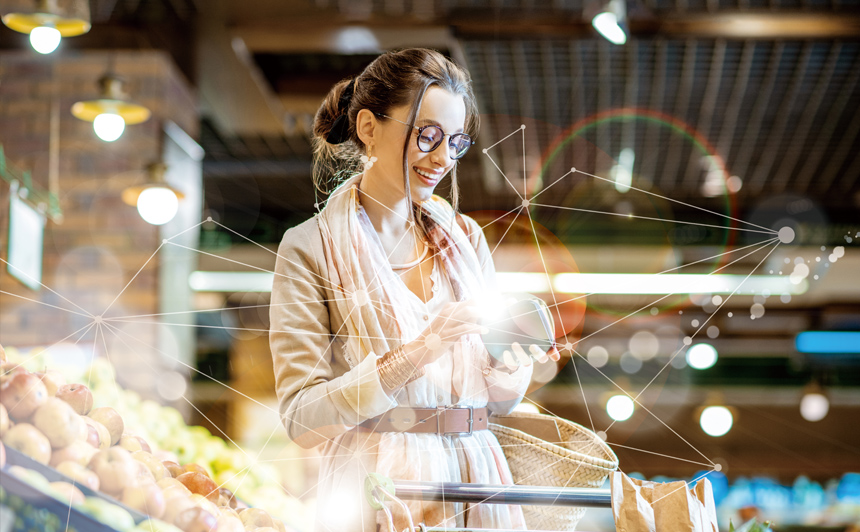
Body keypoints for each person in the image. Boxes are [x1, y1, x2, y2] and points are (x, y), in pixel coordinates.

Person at [269, 48, 558, 532]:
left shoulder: (465, 239)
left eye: (456, 141)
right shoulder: (309, 248)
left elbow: (494, 404)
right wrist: (417, 353)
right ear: (368, 128)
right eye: (427, 135)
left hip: (476, 482)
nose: (443, 158)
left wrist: (512, 367)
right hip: (375, 492)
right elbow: (302, 420)